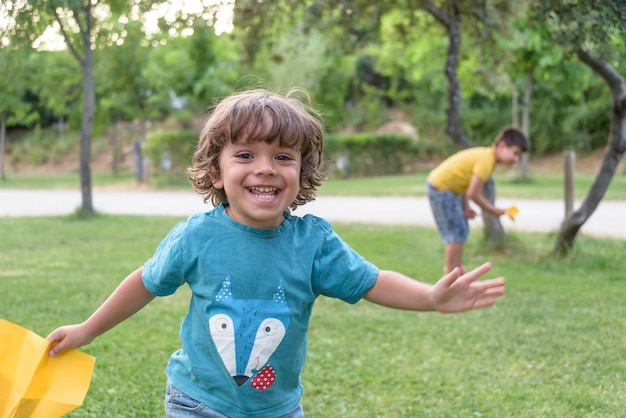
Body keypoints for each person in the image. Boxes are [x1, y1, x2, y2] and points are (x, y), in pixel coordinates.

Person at [47, 88, 506, 418]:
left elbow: (372, 281)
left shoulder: (314, 243)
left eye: (284, 157)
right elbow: (145, 283)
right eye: (245, 155)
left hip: (278, 407)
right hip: (197, 401)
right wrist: (87, 329)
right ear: (216, 171)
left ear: (302, 172)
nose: (265, 168)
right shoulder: (197, 237)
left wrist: (430, 297)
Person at [427, 127, 529, 275]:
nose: (516, 159)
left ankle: (456, 270)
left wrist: (465, 207)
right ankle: (450, 274)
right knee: (455, 232)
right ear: (501, 146)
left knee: (461, 229)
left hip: (449, 190)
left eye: (519, 156)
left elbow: (464, 182)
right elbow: (473, 193)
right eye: (515, 153)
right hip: (441, 189)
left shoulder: (487, 158)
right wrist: (494, 210)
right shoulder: (486, 161)